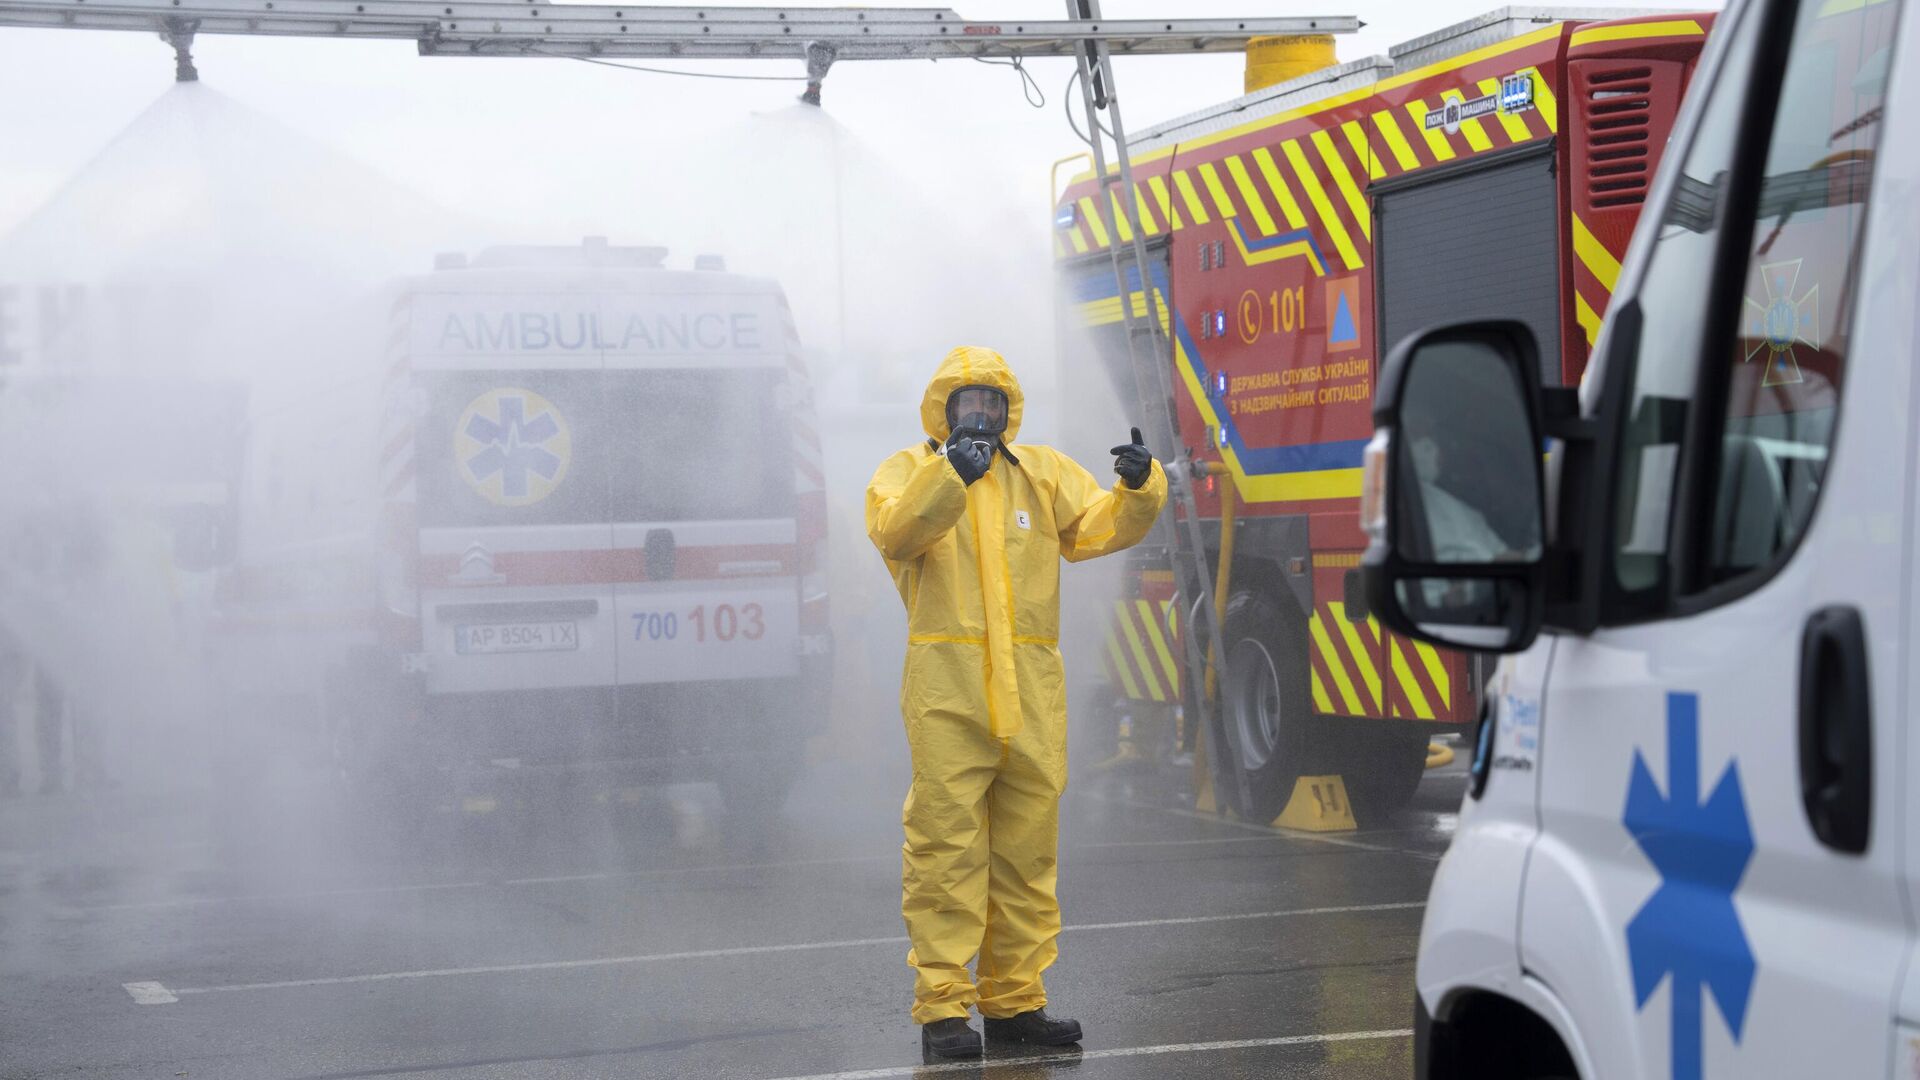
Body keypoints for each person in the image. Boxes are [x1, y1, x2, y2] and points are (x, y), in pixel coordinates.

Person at [865, 346, 1166, 1060]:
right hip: (949, 695)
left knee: (1027, 858)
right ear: (944, 407)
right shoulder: (909, 472)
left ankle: (1015, 1005)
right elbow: (895, 532)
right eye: (968, 402)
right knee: (945, 854)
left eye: (993, 404)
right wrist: (950, 479)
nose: (982, 416)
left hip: (1031, 698)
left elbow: (1097, 527)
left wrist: (1139, 486)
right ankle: (943, 1012)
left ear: (1009, 411)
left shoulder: (1041, 473)